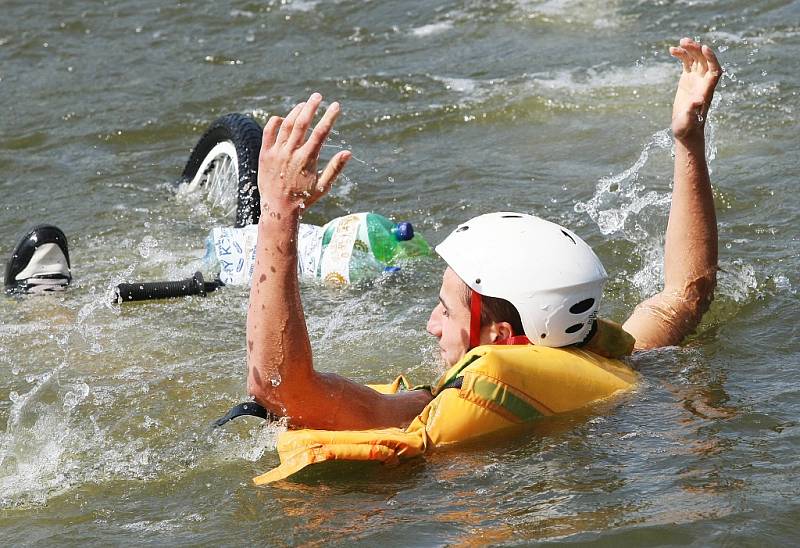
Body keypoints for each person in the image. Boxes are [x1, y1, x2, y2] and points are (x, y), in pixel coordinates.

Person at [246, 38, 721, 430]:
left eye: (447, 308)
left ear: (499, 334)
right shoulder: (617, 367)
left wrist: (279, 213)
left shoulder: (435, 408)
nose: (431, 325)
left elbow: (279, 387)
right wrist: (688, 141)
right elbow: (685, 292)